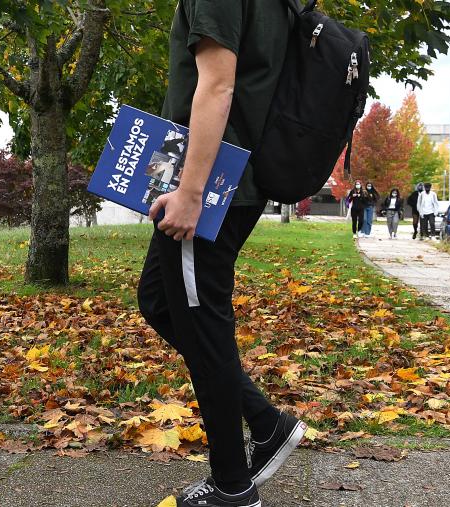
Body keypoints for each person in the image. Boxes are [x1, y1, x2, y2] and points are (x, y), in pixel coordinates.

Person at [137, 2, 306, 506]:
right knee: (160, 302)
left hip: (213, 186)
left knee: (202, 325)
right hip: (224, 176)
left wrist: (190, 192)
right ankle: (265, 423)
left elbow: (217, 84)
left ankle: (233, 485)